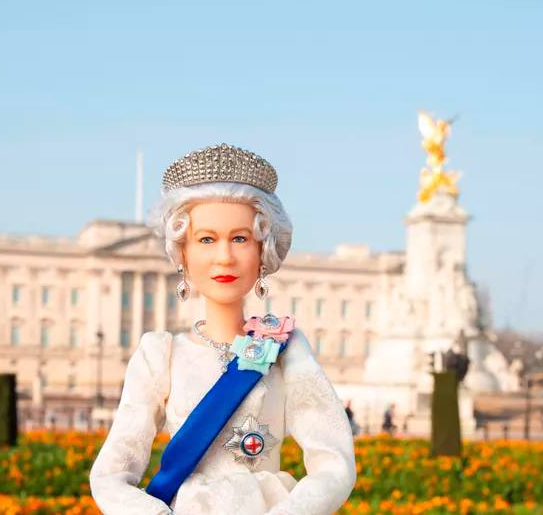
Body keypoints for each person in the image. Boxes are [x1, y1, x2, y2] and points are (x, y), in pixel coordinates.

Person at [90, 144, 356, 514]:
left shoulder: (285, 347)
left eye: (240, 238)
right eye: (206, 239)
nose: (224, 257)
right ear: (183, 254)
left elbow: (334, 462)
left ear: (263, 251)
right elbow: (110, 474)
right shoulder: (161, 354)